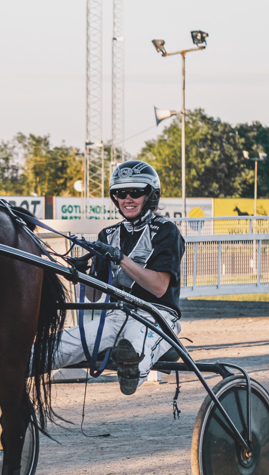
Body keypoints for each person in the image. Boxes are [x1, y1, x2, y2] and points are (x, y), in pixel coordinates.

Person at [57, 160, 186, 395]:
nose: (127, 198)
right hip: (118, 314)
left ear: (151, 195)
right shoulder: (107, 234)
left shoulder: (167, 231)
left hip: (157, 315)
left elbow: (159, 287)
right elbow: (95, 297)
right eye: (120, 193)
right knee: (54, 348)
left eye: (136, 192)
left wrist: (120, 258)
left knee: (133, 355)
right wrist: (80, 275)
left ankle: (130, 363)